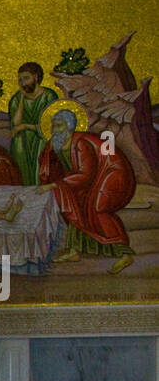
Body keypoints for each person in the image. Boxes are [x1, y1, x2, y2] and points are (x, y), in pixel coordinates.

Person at [38, 108, 136, 272]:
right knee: (75, 205)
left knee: (98, 208)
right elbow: (50, 165)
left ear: (69, 128)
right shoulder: (57, 143)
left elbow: (85, 174)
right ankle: (74, 251)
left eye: (60, 126)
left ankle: (125, 255)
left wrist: (55, 184)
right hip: (90, 179)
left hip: (111, 174)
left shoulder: (81, 144)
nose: (55, 130)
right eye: (54, 126)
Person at [7, 61, 57, 185]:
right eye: (20, 80)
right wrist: (22, 99)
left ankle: (39, 187)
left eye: (26, 78)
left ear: (35, 77)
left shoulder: (49, 96)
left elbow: (48, 127)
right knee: (18, 142)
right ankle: (23, 188)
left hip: (42, 137)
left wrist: (25, 126)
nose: (23, 83)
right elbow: (16, 123)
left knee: (42, 146)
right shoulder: (17, 98)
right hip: (23, 139)